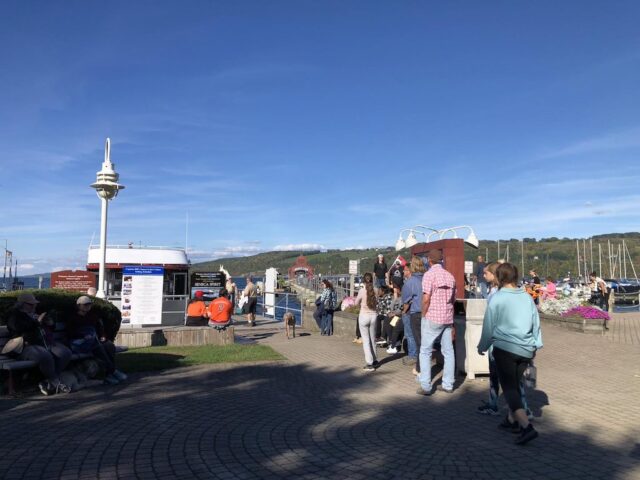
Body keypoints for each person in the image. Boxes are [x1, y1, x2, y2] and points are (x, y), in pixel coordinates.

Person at [478, 262, 543, 445]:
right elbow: (536, 322)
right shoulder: (526, 297)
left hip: (505, 348)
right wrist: (536, 343)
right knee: (515, 383)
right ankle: (511, 420)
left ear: (499, 277)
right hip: (526, 349)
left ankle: (526, 427)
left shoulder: (498, 298)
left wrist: (483, 346)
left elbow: (489, 326)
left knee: (509, 389)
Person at [6, 293, 72, 395]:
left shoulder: (34, 314)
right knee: (45, 355)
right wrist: (36, 322)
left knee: (65, 353)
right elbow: (18, 328)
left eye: (35, 304)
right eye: (31, 304)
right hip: (25, 346)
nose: (34, 306)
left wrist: (50, 324)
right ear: (22, 304)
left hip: (43, 342)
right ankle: (56, 382)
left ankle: (48, 381)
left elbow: (46, 329)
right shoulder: (15, 316)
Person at [416, 249, 456, 396]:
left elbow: (426, 298)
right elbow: (453, 299)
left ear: (429, 260)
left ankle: (426, 386)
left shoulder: (429, 275)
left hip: (432, 316)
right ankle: (448, 384)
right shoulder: (450, 276)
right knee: (448, 351)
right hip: (447, 317)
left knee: (425, 351)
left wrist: (423, 314)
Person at [68, 295, 127, 385]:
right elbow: (70, 333)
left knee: (109, 346)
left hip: (93, 340)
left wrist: (102, 336)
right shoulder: (73, 318)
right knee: (98, 347)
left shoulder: (92, 316)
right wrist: (83, 336)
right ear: (79, 305)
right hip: (80, 343)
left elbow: (99, 330)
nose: (88, 306)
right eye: (85, 305)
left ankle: (108, 374)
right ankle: (112, 371)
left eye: (89, 304)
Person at [402, 256, 425, 376]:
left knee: (419, 341)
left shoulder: (410, 282)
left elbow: (405, 300)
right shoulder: (427, 278)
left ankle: (420, 368)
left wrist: (404, 311)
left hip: (416, 313)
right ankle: (422, 366)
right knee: (425, 342)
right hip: (429, 313)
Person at [354, 272, 379, 372]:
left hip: (364, 316)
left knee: (366, 341)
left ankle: (369, 363)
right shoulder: (376, 290)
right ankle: (375, 360)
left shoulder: (361, 290)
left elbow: (356, 303)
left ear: (363, 281)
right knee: (373, 339)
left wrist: (360, 304)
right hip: (373, 316)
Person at [400, 263, 417, 367]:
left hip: (409, 312)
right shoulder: (417, 281)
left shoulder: (408, 283)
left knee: (409, 335)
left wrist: (404, 311)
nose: (403, 272)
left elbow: (407, 301)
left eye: (405, 270)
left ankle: (412, 356)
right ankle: (414, 354)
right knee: (413, 335)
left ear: (409, 271)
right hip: (415, 312)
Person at [384, 284, 405, 354]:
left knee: (392, 322)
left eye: (395, 289)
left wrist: (394, 313)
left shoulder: (403, 297)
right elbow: (391, 307)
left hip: (400, 315)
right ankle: (392, 341)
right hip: (395, 315)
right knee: (387, 320)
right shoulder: (396, 297)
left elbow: (401, 309)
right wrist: (395, 299)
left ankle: (394, 343)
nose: (394, 290)